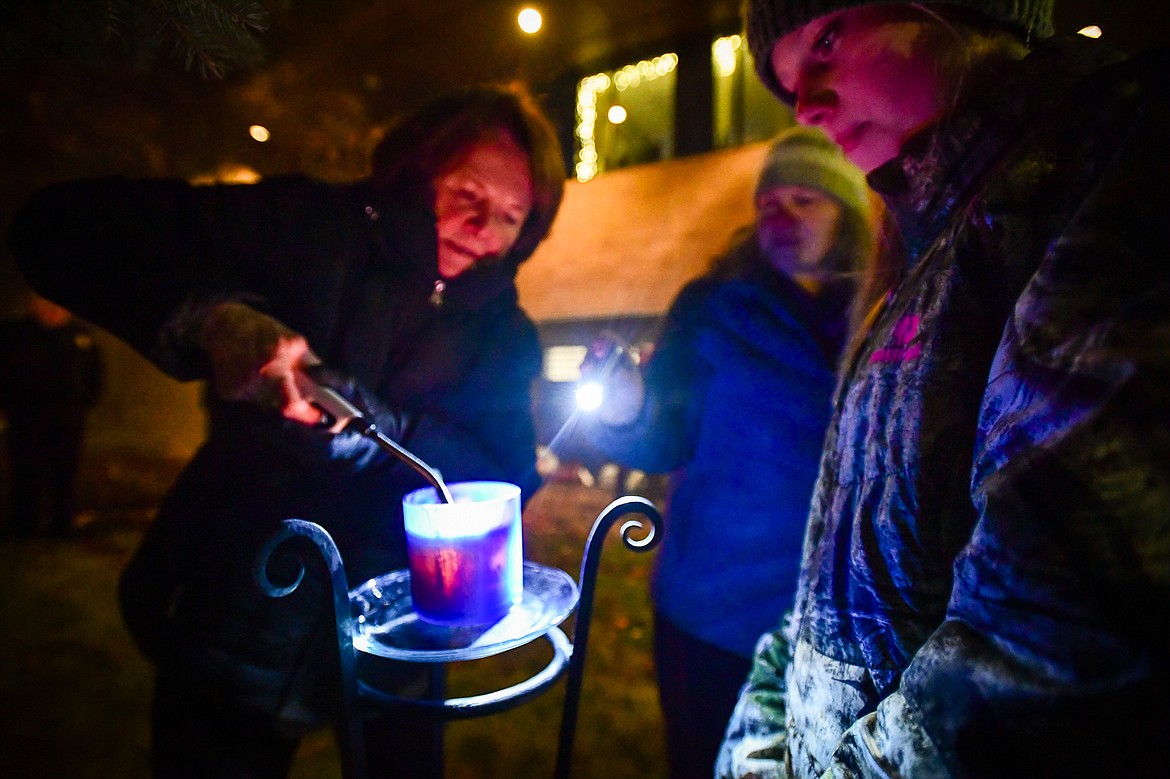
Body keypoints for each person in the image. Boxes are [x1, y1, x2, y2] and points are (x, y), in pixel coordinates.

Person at [8, 81, 565, 778]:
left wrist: (371, 428)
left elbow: (504, 468)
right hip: (235, 617)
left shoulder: (504, 335)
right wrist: (213, 319)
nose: (484, 233)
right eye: (467, 196)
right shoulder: (303, 224)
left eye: (512, 217)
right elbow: (57, 226)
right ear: (416, 170)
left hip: (401, 637)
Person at [717, 1, 1170, 777]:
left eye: (828, 38)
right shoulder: (921, 254)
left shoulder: (1112, 167)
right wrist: (759, 741)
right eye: (790, 84)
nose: (808, 106)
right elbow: (831, 572)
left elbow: (1049, 647)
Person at [579, 125, 876, 779]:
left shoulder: (889, 304)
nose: (782, 216)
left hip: (850, 622)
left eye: (806, 200)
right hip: (712, 614)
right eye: (769, 203)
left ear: (849, 210)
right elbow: (662, 437)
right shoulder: (714, 308)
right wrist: (627, 406)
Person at [0, 294, 104, 538]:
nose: (53, 309)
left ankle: (62, 522)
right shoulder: (14, 334)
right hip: (26, 415)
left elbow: (94, 374)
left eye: (59, 305)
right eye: (46, 303)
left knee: (65, 470)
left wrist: (84, 402)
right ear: (34, 304)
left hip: (68, 415)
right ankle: (24, 523)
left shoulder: (82, 336)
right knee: (26, 468)